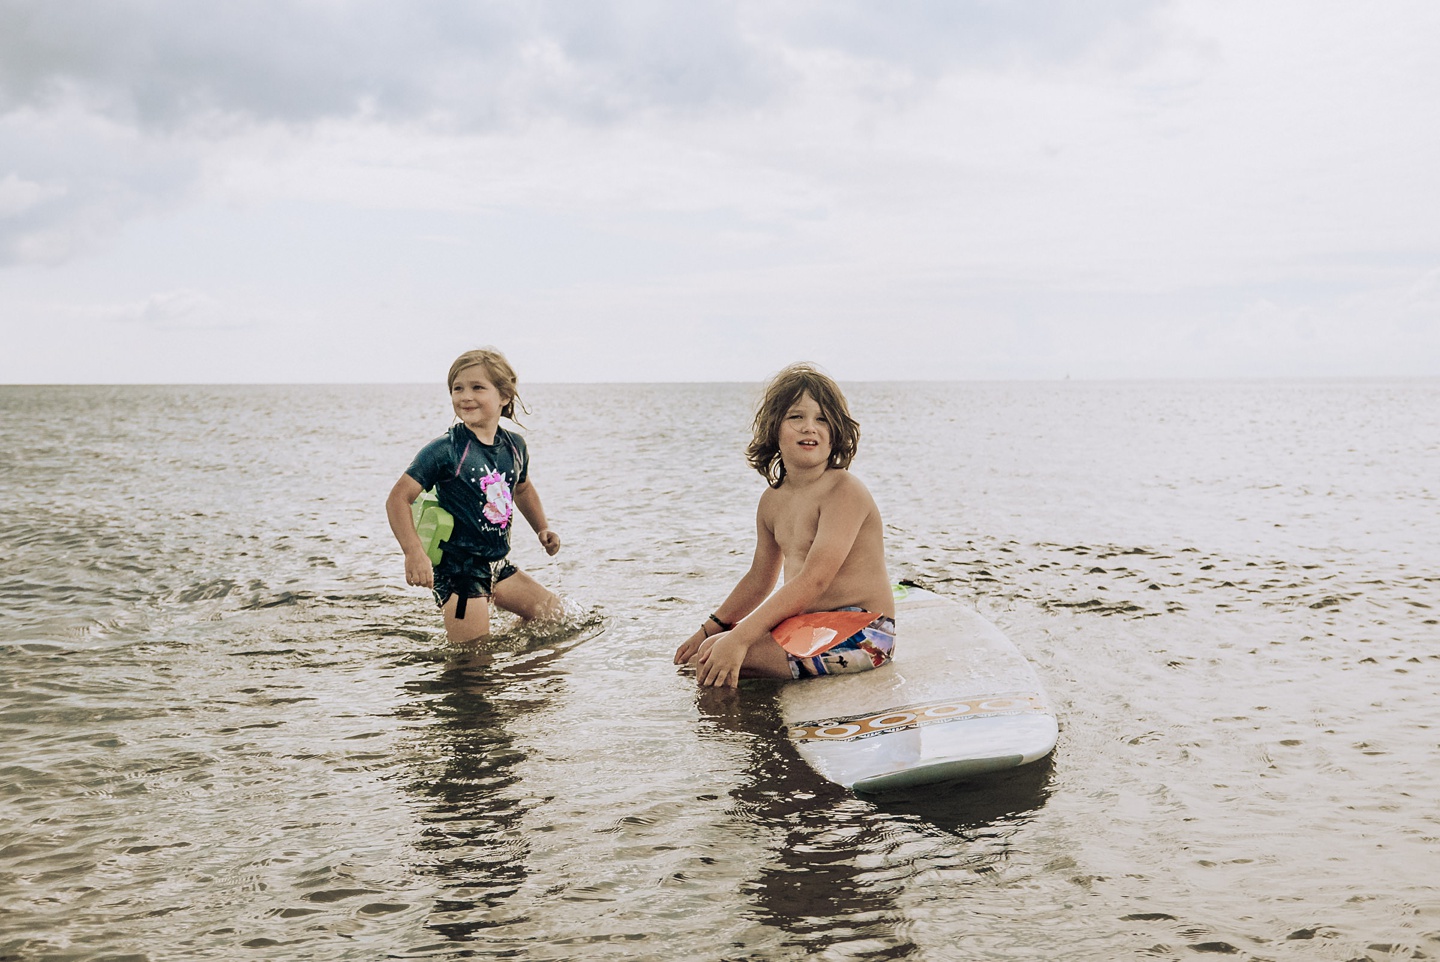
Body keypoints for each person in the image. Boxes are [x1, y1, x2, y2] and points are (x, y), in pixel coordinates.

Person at [674, 362, 895, 688]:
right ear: (774, 428)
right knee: (704, 652)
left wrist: (739, 640)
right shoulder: (772, 500)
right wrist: (711, 629)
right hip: (811, 624)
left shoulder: (844, 490)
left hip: (867, 633)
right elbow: (760, 578)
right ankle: (730, 730)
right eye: (797, 417)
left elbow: (815, 580)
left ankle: (739, 736)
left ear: (835, 433)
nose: (810, 427)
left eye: (822, 419)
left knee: (720, 657)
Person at [386, 348, 562, 643]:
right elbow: (397, 498)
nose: (465, 396)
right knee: (472, 659)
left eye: (477, 387)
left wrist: (541, 527)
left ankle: (511, 662)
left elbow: (522, 488)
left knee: (553, 616)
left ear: (504, 395)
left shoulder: (514, 446)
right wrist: (413, 552)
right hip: (459, 574)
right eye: (458, 388)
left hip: (497, 565)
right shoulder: (447, 449)